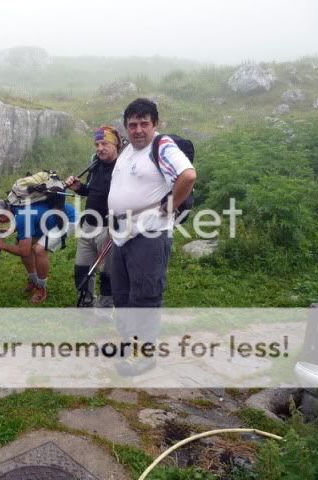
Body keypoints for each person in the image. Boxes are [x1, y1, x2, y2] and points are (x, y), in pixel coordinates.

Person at [108, 98, 196, 376]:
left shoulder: (162, 146)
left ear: (155, 124)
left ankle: (145, 355)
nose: (138, 130)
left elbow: (188, 175)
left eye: (144, 124)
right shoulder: (127, 152)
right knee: (121, 294)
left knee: (145, 295)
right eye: (132, 124)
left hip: (149, 232)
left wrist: (170, 206)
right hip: (122, 233)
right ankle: (128, 344)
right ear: (126, 127)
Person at [65, 125, 123, 308]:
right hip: (88, 225)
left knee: (108, 273)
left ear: (116, 144)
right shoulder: (95, 164)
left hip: (109, 228)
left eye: (104, 143)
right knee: (81, 268)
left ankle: (106, 308)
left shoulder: (123, 168)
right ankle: (86, 302)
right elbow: (92, 192)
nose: (99, 148)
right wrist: (79, 188)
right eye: (97, 144)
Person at [0, 198, 76, 304]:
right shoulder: (15, 205)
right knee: (21, 242)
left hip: (68, 219)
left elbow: (24, 251)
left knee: (39, 249)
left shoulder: (22, 217)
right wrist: (10, 231)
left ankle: (41, 288)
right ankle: (34, 280)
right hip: (53, 217)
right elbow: (29, 218)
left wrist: (3, 246)